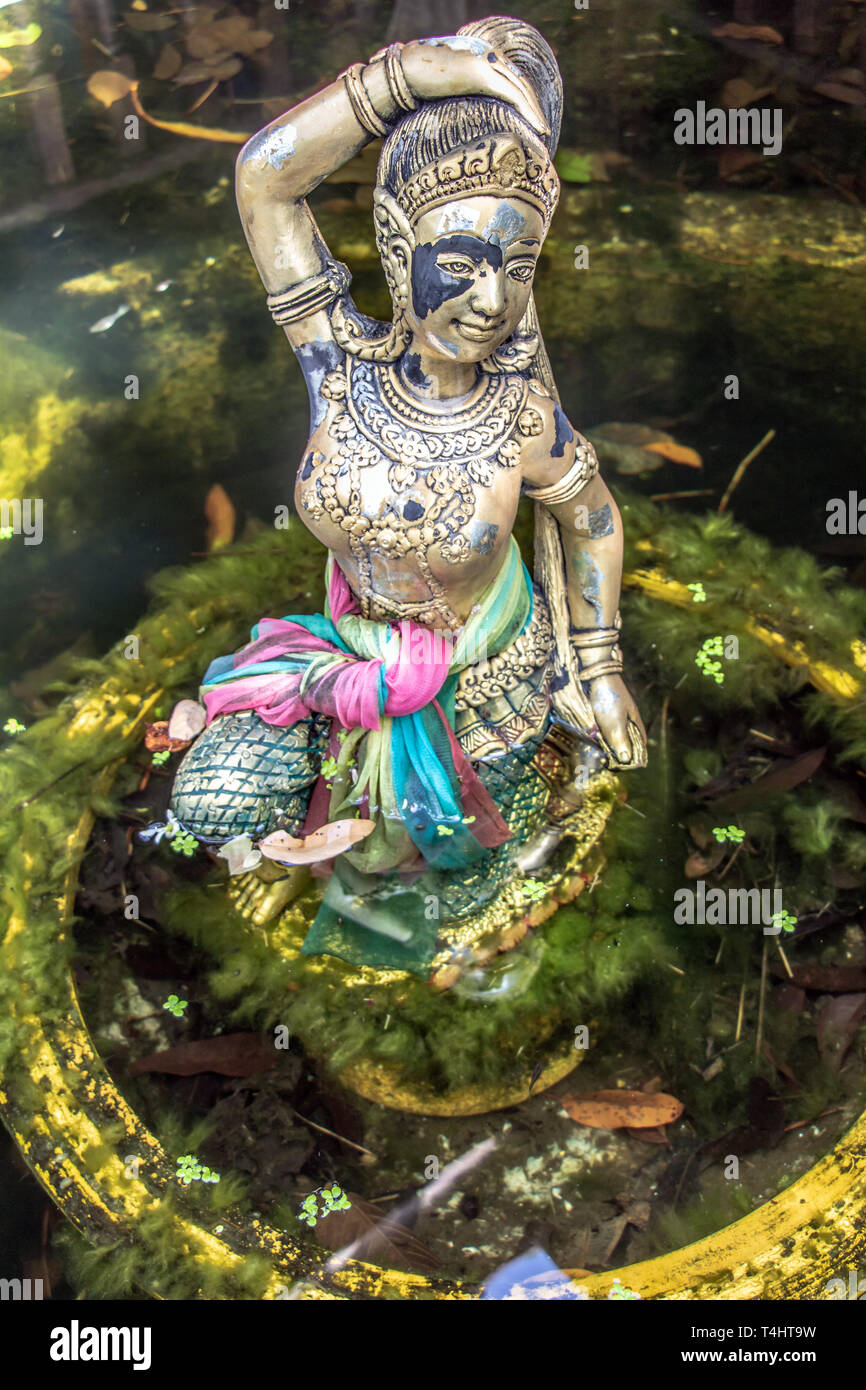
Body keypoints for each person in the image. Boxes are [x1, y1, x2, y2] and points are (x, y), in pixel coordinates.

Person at [171, 17, 646, 976]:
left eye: (516, 270)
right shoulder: (336, 367)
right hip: (353, 648)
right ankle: (355, 862)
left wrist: (596, 667)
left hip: (487, 681)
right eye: (461, 262)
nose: (488, 300)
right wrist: (407, 78)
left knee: (473, 863)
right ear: (396, 246)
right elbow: (264, 176)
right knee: (215, 807)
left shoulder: (520, 417)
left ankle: (462, 939)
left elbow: (591, 517)